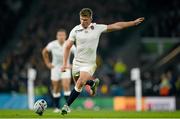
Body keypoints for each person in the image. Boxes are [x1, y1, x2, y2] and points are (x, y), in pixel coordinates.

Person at [61, 8, 144, 115]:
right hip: (77, 63)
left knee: (80, 82)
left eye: (85, 19)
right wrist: (64, 64)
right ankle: (92, 83)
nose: (83, 22)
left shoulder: (97, 28)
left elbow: (116, 26)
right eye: (81, 19)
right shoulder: (75, 30)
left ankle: (66, 106)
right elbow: (67, 46)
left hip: (89, 64)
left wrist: (132, 23)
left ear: (91, 18)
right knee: (79, 83)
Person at [42, 29, 75, 113]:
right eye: (59, 35)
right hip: (55, 68)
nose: (61, 37)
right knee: (56, 88)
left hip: (65, 67)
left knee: (66, 86)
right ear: (57, 36)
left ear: (65, 36)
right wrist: (47, 63)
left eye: (62, 35)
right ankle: (57, 107)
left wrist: (73, 65)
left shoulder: (69, 43)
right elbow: (44, 51)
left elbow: (77, 54)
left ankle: (67, 106)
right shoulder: (52, 44)